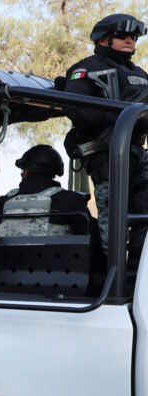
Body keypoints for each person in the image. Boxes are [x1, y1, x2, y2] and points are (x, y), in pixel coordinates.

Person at [63, 13, 148, 262]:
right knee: (113, 221)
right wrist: (121, 113)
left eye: (134, 36)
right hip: (107, 156)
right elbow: (76, 109)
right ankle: (112, 272)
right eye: (123, 35)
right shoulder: (86, 69)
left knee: (144, 215)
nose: (130, 40)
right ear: (103, 39)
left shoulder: (139, 73)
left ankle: (138, 269)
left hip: (136, 153)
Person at [0, 145, 93, 238]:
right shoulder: (72, 202)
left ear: (27, 171)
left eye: (23, 170)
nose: (22, 174)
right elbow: (91, 243)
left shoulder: (1, 204)